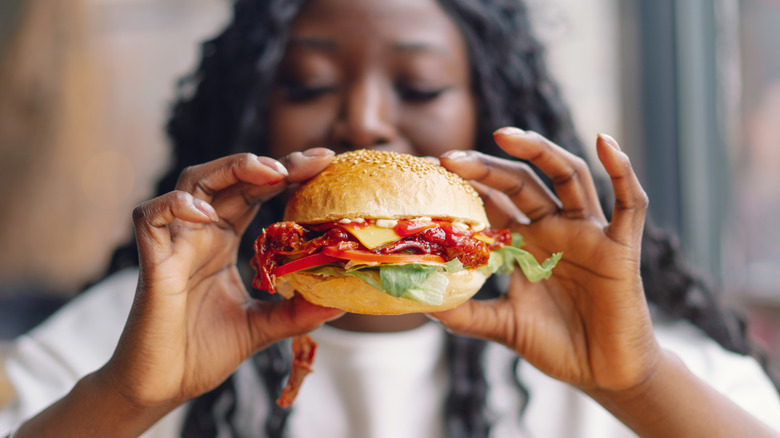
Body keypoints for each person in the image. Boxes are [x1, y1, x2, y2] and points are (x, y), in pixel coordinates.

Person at [2, 0, 780, 436]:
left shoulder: (621, 338)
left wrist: (637, 384)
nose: (365, 122)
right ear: (252, 121)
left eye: (419, 89)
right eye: (307, 84)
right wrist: (128, 401)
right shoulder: (139, 330)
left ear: (489, 114)